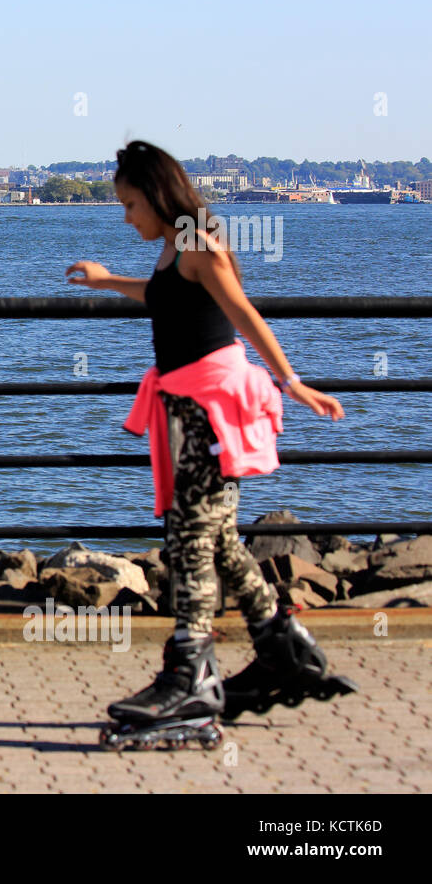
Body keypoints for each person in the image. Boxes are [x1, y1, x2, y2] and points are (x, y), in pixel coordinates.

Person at [66, 140, 356, 743]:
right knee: (218, 540)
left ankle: (190, 677)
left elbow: (243, 314)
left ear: (156, 196)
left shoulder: (199, 245)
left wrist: (294, 383)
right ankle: (284, 646)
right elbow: (168, 301)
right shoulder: (175, 246)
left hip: (208, 411)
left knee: (190, 538)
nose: (126, 218)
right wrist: (108, 281)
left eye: (129, 205)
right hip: (180, 406)